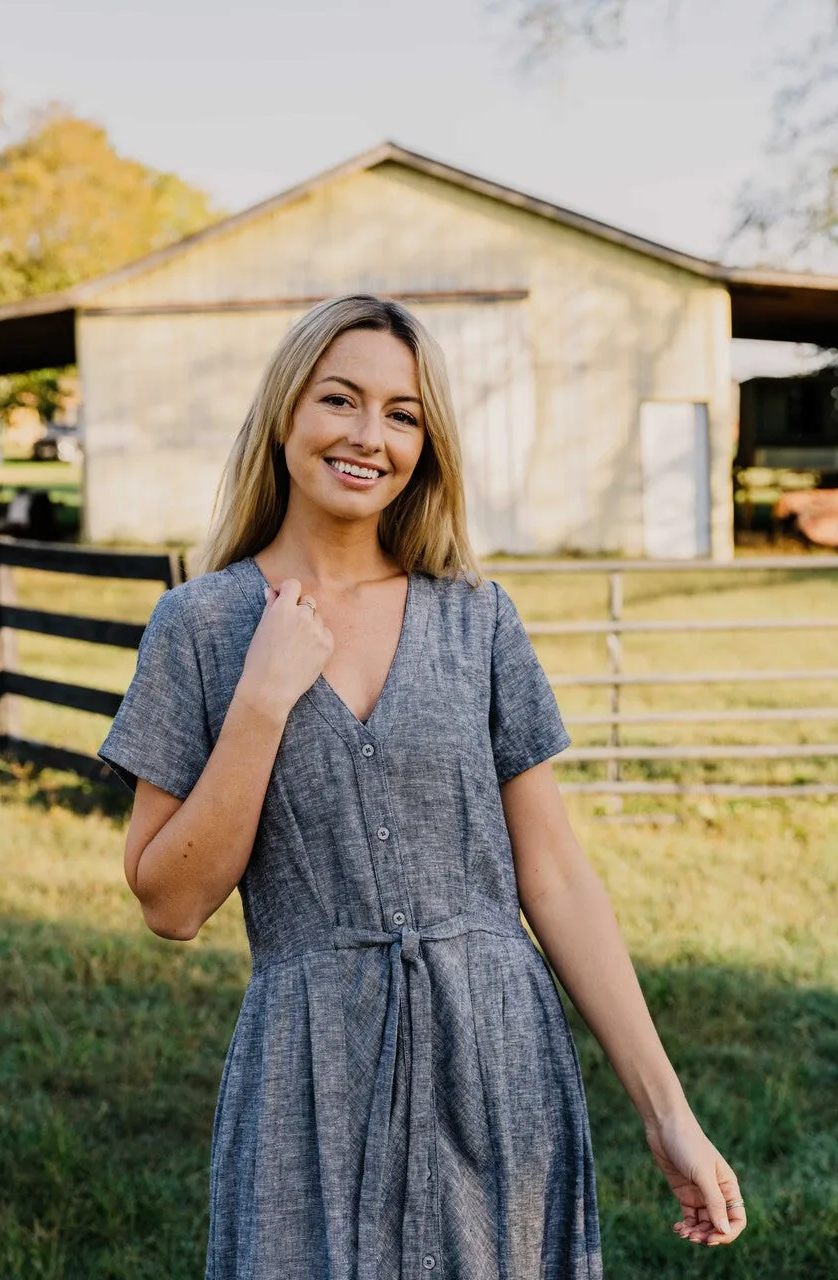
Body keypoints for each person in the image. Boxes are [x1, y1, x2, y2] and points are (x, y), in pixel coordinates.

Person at [98, 294, 746, 1278]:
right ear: (285, 415)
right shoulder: (198, 624)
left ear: (427, 445)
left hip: (494, 1062)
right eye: (341, 400)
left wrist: (668, 1111)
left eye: (403, 414)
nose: (369, 435)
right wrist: (262, 699)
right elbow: (170, 901)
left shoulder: (478, 617)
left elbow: (557, 877)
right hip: (305, 1072)